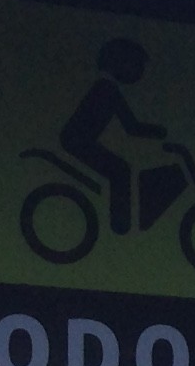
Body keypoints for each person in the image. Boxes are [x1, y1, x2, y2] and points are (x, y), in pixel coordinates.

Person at [59, 39, 166, 235]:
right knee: (121, 170)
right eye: (135, 64)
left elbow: (130, 126)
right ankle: (120, 224)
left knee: (120, 168)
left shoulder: (107, 87)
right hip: (77, 141)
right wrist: (159, 132)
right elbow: (130, 126)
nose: (138, 71)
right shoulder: (107, 89)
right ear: (119, 62)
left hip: (80, 139)